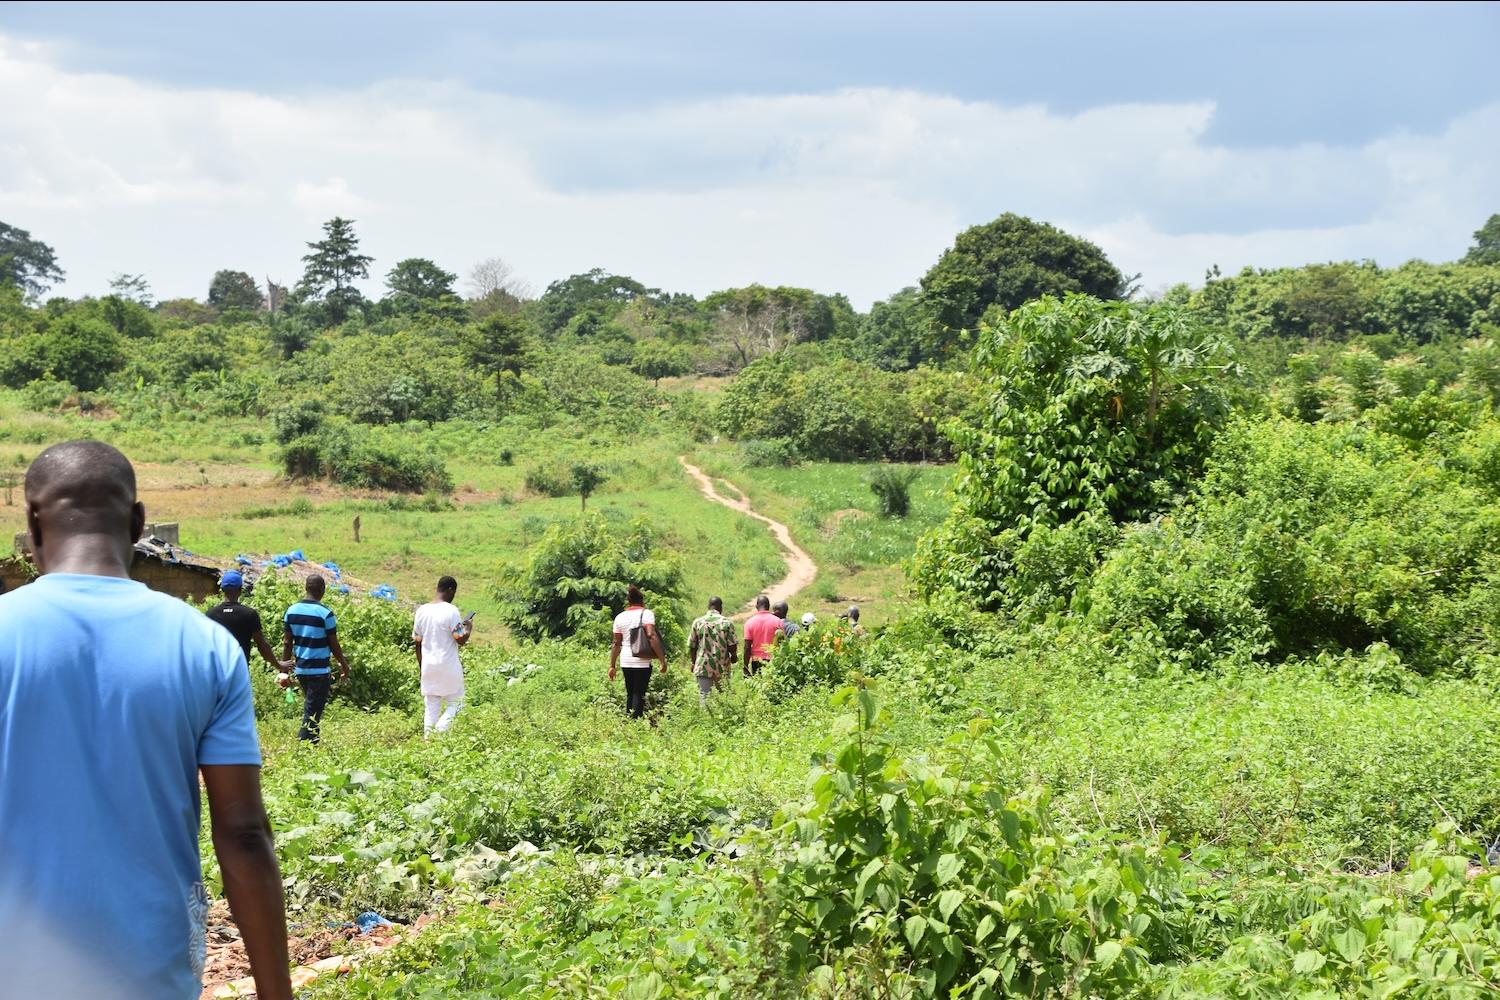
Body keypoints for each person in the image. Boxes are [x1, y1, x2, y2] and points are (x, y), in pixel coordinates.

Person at [0, 441, 291, 1000]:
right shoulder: (204, 646)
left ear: (32, 523)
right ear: (136, 522)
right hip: (146, 970)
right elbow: (244, 834)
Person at [282, 574, 351, 744]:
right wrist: (344, 665)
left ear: (306, 588)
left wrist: (284, 671)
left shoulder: (291, 611)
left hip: (301, 670)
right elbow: (334, 645)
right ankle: (304, 746)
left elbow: (287, 643)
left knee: (312, 709)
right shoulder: (326, 614)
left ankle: (313, 744)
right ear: (322, 590)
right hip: (319, 672)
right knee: (312, 713)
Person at [413, 575, 471, 737]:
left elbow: (418, 642)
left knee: (431, 707)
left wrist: (421, 667)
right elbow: (460, 639)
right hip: (448, 665)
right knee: (456, 703)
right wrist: (469, 628)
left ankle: (428, 740)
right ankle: (440, 731)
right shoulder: (451, 611)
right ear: (451, 590)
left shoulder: (422, 611)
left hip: (428, 666)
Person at [206, 570, 293, 675]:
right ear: (240, 590)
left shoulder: (210, 614)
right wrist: (278, 665)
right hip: (238, 672)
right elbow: (262, 645)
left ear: (222, 589)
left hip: (215, 671)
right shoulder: (249, 614)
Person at [609, 583, 666, 718]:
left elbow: (616, 643)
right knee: (639, 694)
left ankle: (629, 721)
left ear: (628, 601)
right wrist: (662, 660)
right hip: (642, 661)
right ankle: (636, 724)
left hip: (625, 661)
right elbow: (651, 636)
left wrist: (612, 665)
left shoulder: (620, 617)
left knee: (630, 693)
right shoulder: (646, 614)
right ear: (642, 601)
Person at [687, 596, 737, 705]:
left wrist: (693, 662)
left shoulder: (698, 622)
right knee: (723, 696)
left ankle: (705, 720)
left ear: (708, 606)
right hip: (722, 665)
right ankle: (723, 720)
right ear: (721, 607)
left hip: (703, 665)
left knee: (704, 696)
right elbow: (732, 645)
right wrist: (734, 656)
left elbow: (692, 645)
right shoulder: (727, 623)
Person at [742, 594, 782, 676]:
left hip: (756, 660)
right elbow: (782, 643)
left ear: (757, 606)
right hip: (774, 659)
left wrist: (745, 667)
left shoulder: (749, 623)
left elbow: (747, 647)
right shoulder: (778, 621)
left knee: (759, 685)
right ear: (769, 606)